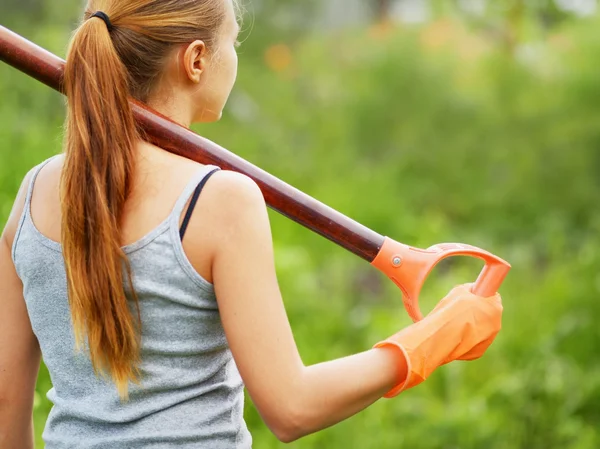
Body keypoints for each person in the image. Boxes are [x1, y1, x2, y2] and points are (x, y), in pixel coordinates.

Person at [0, 1, 503, 448]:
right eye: (233, 43)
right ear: (196, 60)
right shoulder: (220, 200)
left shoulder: (33, 193)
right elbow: (292, 407)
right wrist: (434, 338)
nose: (234, 56)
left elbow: (4, 405)